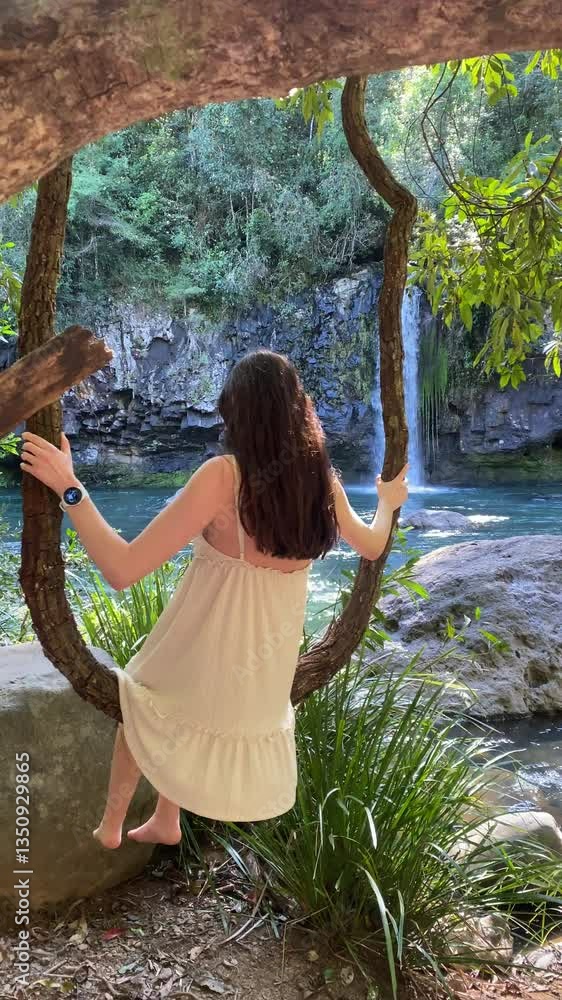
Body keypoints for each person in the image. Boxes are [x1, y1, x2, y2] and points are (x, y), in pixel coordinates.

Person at [20, 349, 408, 848]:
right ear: (300, 409)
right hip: (257, 689)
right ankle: (166, 819)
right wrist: (386, 503)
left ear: (235, 413)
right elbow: (372, 546)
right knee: (172, 694)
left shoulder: (224, 477)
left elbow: (121, 569)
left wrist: (69, 488)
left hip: (209, 660)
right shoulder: (319, 482)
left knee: (142, 693)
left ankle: (111, 825)